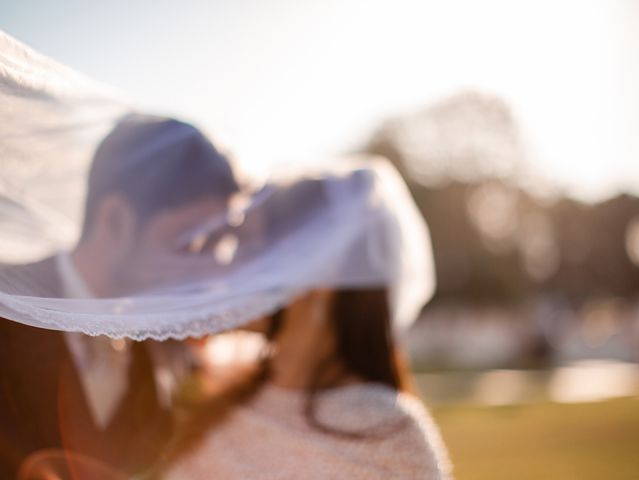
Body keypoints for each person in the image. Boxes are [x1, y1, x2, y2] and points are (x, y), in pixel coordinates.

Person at [158, 177, 451, 480]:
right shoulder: (218, 395)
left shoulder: (390, 440)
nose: (230, 269)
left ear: (319, 271)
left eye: (251, 250)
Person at [0, 113, 241, 479]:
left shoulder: (164, 347)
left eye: (220, 245)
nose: (212, 273)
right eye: (192, 243)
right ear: (114, 220)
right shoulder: (8, 312)